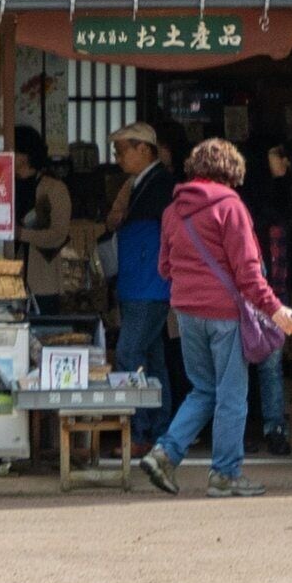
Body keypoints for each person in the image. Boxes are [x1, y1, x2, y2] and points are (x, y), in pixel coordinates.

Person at [135, 137, 292, 497]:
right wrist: (276, 309)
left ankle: (164, 452)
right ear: (231, 171)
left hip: (185, 312)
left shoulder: (172, 210)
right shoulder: (231, 207)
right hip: (224, 314)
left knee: (203, 388)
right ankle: (225, 474)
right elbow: (249, 273)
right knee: (231, 395)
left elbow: (165, 267)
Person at [98, 122, 184, 432]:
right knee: (152, 356)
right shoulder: (139, 183)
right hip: (139, 282)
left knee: (128, 352)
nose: (117, 158)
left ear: (143, 149)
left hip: (150, 283)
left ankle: (141, 428)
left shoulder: (163, 184)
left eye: (121, 152)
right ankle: (160, 427)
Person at [244, 142, 292, 455]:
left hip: (249, 297)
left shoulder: (247, 208)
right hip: (270, 295)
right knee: (269, 366)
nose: (282, 164)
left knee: (244, 367)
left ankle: (249, 429)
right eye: (276, 158)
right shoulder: (277, 209)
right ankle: (273, 430)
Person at [13, 125, 82, 310]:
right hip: (9, 277)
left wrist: (20, 234)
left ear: (26, 155)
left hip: (42, 278)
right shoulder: (3, 185)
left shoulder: (54, 188)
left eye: (13, 150)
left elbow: (58, 234)